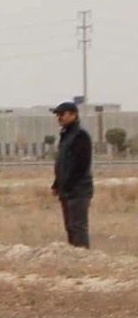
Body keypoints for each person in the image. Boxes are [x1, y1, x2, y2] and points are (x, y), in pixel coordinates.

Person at [51, 100, 93, 248]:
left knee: (78, 228)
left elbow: (81, 165)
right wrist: (57, 184)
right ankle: (74, 259)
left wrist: (68, 184)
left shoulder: (80, 135)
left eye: (62, 114)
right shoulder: (65, 136)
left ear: (73, 115)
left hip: (78, 190)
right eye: (58, 115)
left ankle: (84, 259)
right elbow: (63, 164)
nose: (59, 118)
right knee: (70, 227)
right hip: (66, 190)